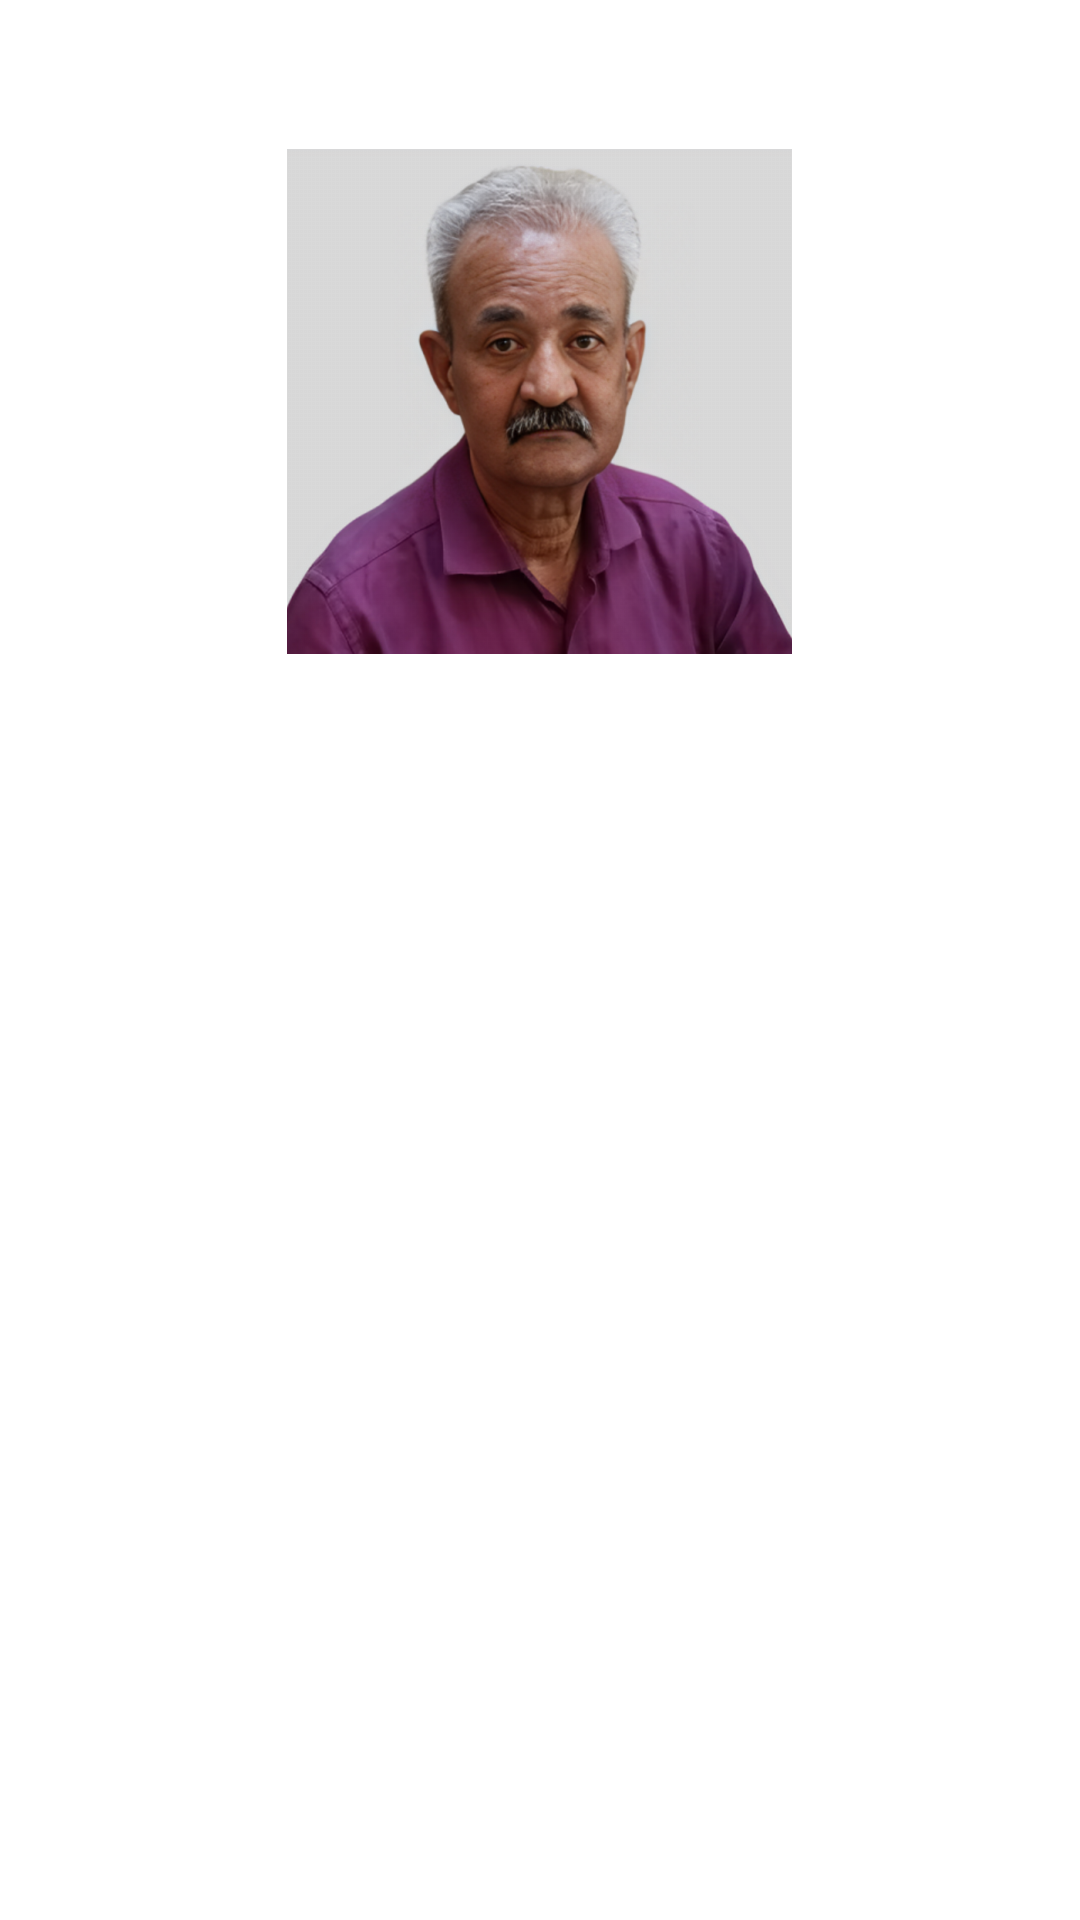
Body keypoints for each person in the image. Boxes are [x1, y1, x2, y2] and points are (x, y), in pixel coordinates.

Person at [287, 166, 791, 655]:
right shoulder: (346, 614)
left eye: (584, 341)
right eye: (504, 343)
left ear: (629, 363)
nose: (549, 388)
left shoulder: (702, 555)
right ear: (446, 372)